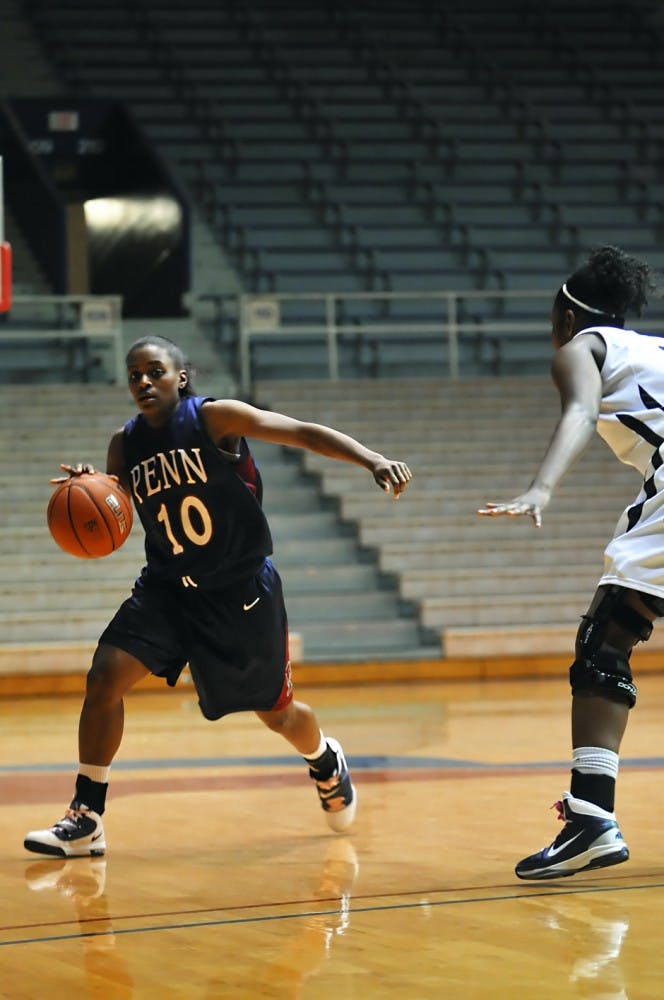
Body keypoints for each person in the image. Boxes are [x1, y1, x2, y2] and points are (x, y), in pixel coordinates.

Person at [25, 335, 412, 858]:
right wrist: (95, 484)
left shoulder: (214, 418)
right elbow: (113, 500)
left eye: (154, 371)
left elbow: (299, 432)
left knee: (278, 715)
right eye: (134, 373)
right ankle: (87, 816)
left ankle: (324, 759)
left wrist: (373, 460)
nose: (143, 381)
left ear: (179, 377)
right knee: (104, 676)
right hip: (167, 589)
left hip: (238, 590)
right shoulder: (125, 444)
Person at [478, 245, 662, 880]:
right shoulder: (654, 348)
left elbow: (581, 411)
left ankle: (591, 819)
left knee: (604, 643)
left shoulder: (582, 349)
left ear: (566, 313)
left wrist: (542, 488)